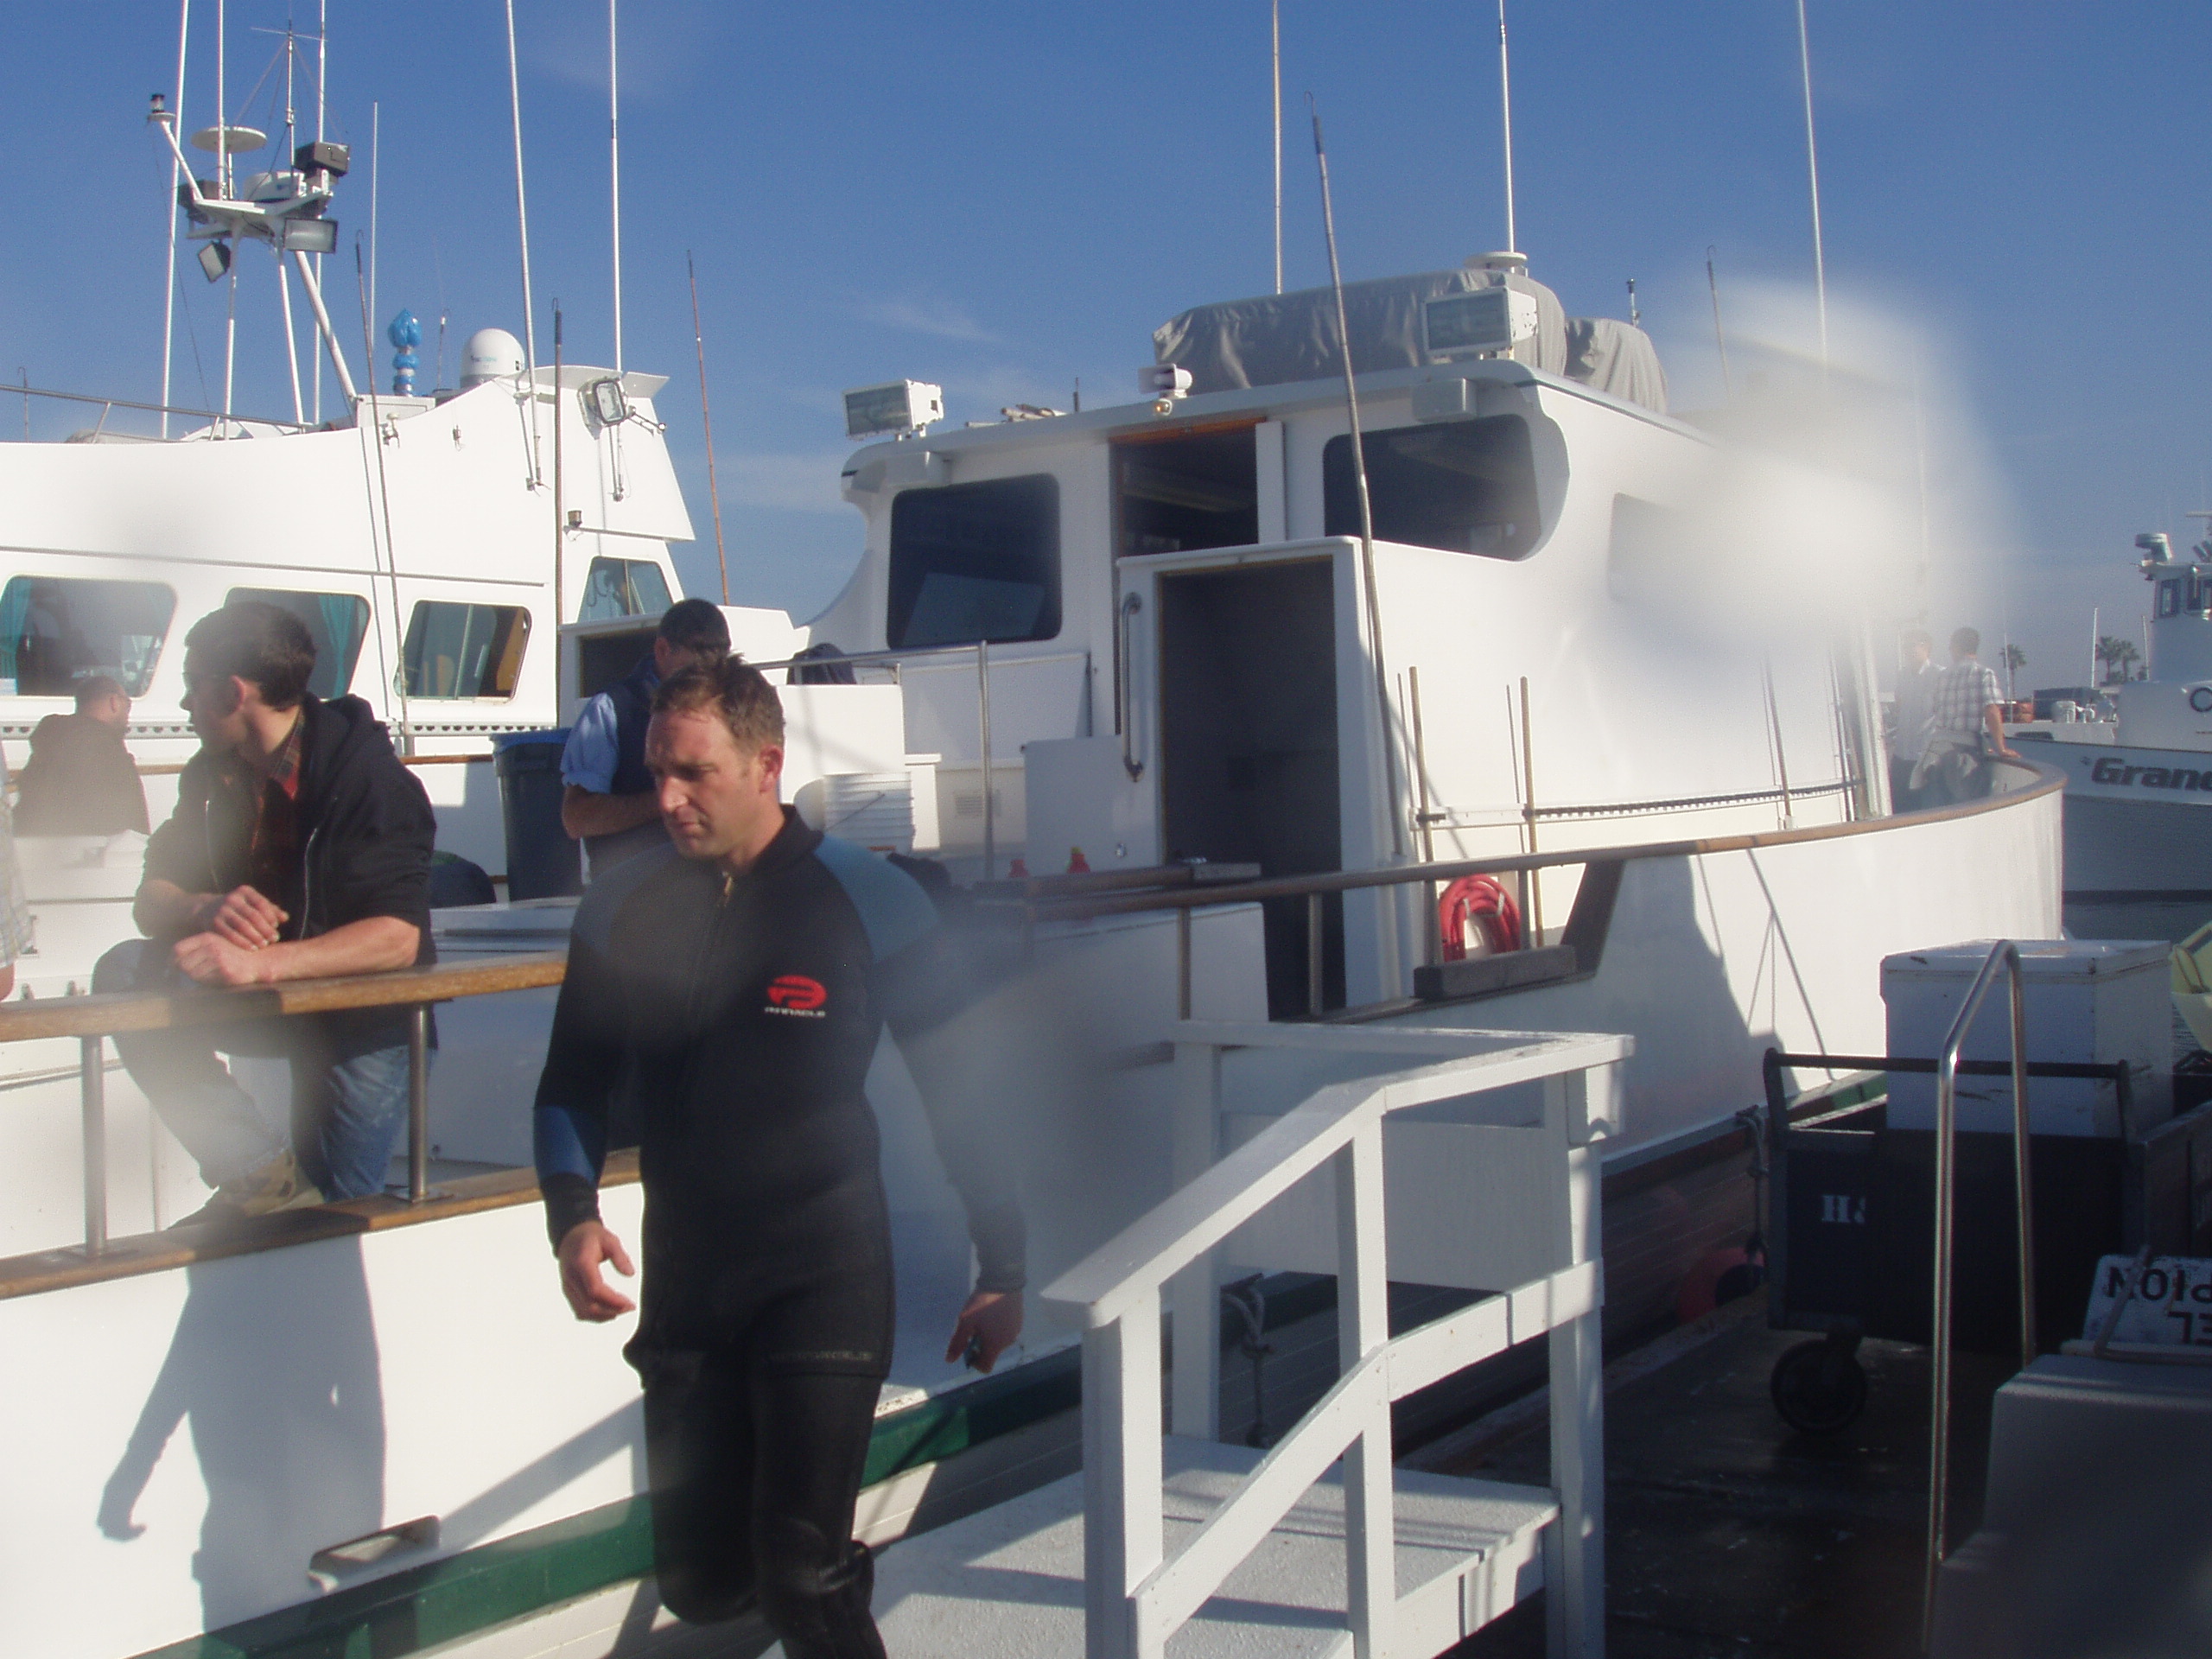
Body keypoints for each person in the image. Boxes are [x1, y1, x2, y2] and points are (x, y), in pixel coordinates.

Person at [533, 657, 1023, 1657]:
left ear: (766, 765)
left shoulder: (870, 899)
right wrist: (573, 1215)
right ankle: (822, 1583)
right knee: (706, 1586)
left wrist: (1003, 1265)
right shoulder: (621, 910)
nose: (664, 800)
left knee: (799, 1572)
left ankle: (827, 1591)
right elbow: (569, 1084)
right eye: (656, 771)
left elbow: (966, 1098)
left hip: (822, 1272)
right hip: (690, 1287)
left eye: (692, 775)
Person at [94, 601, 438, 1223]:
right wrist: (204, 907)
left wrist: (259, 965)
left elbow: (397, 940)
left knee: (333, 1217)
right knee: (123, 973)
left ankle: (283, 1221)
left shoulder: (370, 782)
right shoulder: (210, 777)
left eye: (191, 686)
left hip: (365, 1020)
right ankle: (256, 1176)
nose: (184, 705)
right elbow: (153, 898)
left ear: (231, 693)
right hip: (274, 1004)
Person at [560, 598, 730, 876]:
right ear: (662, 650)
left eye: (716, 668)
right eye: (695, 667)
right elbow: (577, 818)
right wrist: (676, 799)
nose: (705, 680)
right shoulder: (609, 711)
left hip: (709, 891)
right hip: (630, 895)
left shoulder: (729, 708)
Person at [14, 676, 150, 836]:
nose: (128, 715)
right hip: (90, 856)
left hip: (35, 852)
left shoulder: (50, 743)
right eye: (128, 705)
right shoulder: (105, 751)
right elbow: (124, 826)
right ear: (114, 702)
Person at [1912, 626, 2018, 806]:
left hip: (1938, 749)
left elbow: (1937, 709)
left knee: (1940, 808)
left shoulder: (1943, 676)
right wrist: (2000, 747)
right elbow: (1991, 711)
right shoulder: (1983, 674)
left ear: (1956, 647)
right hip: (1965, 750)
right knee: (1966, 807)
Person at [1888, 629, 1940, 813]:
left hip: (1925, 756)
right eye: (1905, 646)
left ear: (1926, 647)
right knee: (1900, 809)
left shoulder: (1938, 675)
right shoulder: (1902, 676)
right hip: (1902, 754)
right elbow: (1900, 705)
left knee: (1926, 810)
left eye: (1912, 645)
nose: (1908, 650)